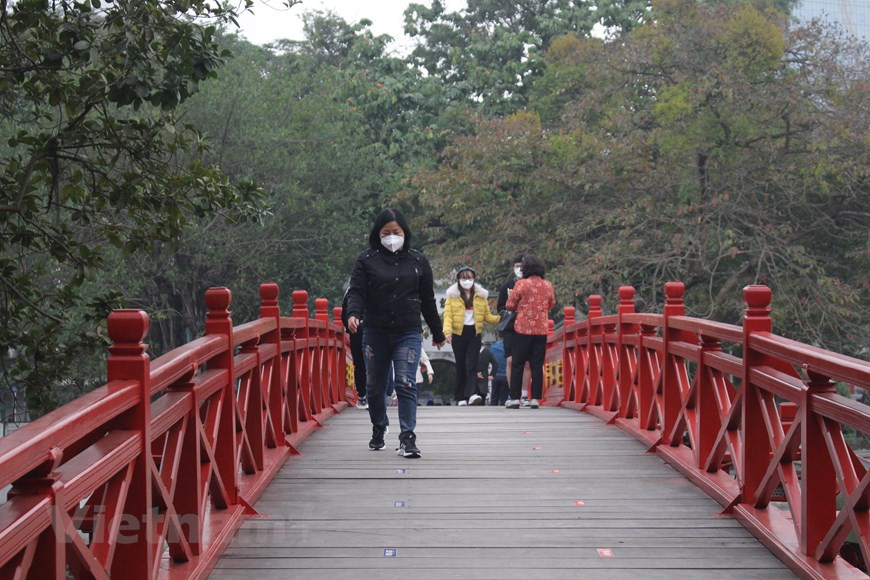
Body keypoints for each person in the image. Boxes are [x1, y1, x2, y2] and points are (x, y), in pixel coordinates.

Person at [345, 208, 446, 458]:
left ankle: (407, 437)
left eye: (396, 232)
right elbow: (356, 291)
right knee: (375, 386)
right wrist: (353, 314)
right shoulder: (366, 260)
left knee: (405, 382)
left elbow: (427, 300)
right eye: (386, 233)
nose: (391, 237)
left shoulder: (418, 261)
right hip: (375, 330)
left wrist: (437, 331)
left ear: (405, 233)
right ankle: (379, 426)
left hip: (407, 330)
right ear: (377, 234)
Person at [442, 266, 499, 406]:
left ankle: (472, 394)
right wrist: (447, 332)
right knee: (461, 365)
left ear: (474, 279)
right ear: (459, 280)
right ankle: (460, 397)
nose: (467, 281)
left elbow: (487, 316)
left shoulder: (480, 296)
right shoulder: (452, 296)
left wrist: (501, 318)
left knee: (471, 365)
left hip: (474, 333)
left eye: (469, 278)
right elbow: (448, 315)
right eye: (463, 278)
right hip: (458, 334)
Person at [505, 254, 555, 409]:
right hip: (541, 329)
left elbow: (510, 305)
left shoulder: (521, 284)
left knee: (518, 363)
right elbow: (551, 303)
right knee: (537, 364)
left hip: (522, 329)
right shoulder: (547, 285)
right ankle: (535, 399)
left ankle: (515, 398)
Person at [497, 254, 525, 392]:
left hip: (527, 327)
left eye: (522, 266)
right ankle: (513, 392)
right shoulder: (507, 286)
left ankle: (525, 393)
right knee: (510, 360)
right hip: (511, 327)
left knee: (526, 362)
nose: (520, 269)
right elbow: (500, 307)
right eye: (517, 266)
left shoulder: (532, 285)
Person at [341, 283, 368, 409]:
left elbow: (344, 313)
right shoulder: (381, 281)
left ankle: (362, 396)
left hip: (356, 328)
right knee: (377, 362)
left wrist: (348, 327)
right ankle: (378, 394)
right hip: (375, 327)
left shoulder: (352, 288)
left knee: (359, 363)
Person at [489, 337, 508, 406]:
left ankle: (493, 409)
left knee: (494, 396)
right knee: (504, 398)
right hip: (506, 375)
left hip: (495, 375)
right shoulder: (508, 348)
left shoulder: (493, 348)